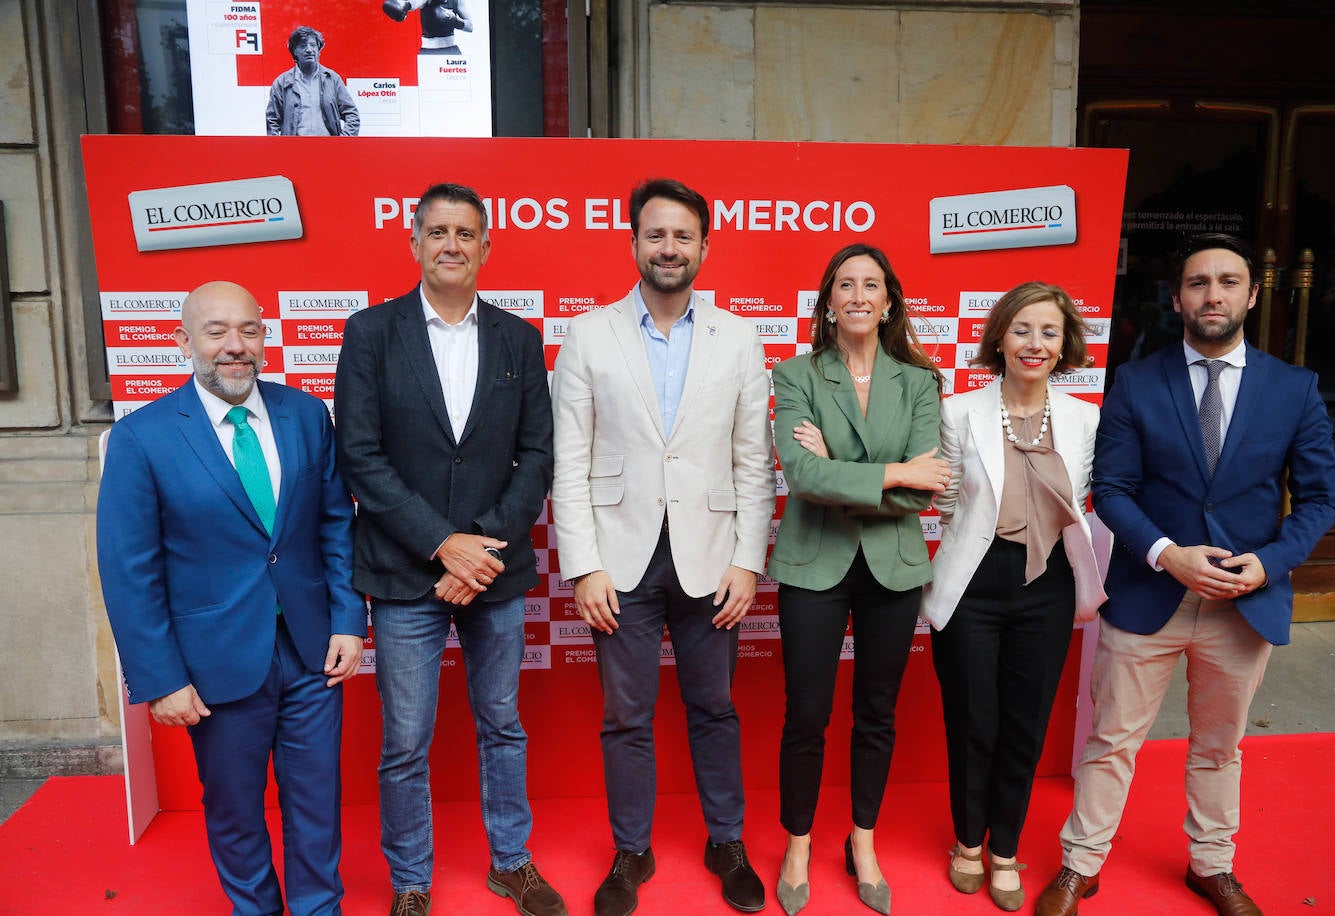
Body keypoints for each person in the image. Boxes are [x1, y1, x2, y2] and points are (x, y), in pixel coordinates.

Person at [1035, 233, 1335, 916]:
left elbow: (1322, 497)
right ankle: (1079, 865)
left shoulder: (1295, 389)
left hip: (1243, 601)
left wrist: (1268, 562)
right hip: (1149, 595)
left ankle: (1213, 866)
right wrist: (1167, 553)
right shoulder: (1138, 382)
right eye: (1198, 283)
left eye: (1228, 281)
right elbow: (1111, 488)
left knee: (1219, 746)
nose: (1213, 294)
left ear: (1252, 294)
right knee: (1112, 739)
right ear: (1177, 298)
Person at [97, 281, 366, 915]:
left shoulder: (305, 414)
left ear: (265, 339)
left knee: (316, 804)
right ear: (183, 341)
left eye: (248, 330)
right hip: (213, 663)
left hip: (310, 652)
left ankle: (317, 909)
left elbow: (335, 522)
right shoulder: (143, 438)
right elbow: (129, 571)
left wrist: (350, 620)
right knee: (235, 810)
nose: (234, 346)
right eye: (216, 332)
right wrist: (159, 678)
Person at [334, 183, 563, 916]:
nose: (452, 244)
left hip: (491, 574)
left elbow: (537, 457)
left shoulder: (520, 340)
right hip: (406, 576)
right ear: (414, 243)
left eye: (466, 233)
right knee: (404, 742)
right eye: (438, 232)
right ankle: (411, 880)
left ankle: (511, 862)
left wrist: (479, 552)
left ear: (487, 247)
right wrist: (442, 544)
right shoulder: (370, 333)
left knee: (503, 725)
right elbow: (361, 457)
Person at [550, 178, 774, 916]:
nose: (669, 247)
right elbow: (569, 459)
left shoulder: (738, 336)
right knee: (626, 713)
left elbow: (752, 458)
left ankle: (726, 841)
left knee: (714, 707)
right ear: (635, 244)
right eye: (655, 235)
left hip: (713, 557)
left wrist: (748, 559)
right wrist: (582, 565)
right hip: (620, 559)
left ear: (705, 246)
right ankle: (632, 850)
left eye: (683, 236)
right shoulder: (589, 333)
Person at [769, 244, 949, 916]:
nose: (857, 295)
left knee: (877, 713)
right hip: (814, 564)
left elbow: (924, 496)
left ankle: (863, 840)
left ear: (889, 301)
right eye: (845, 284)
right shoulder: (795, 376)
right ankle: (797, 842)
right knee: (807, 714)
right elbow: (804, 477)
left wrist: (852, 475)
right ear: (827, 302)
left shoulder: (920, 382)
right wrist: (895, 472)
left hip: (892, 568)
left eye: (870, 284)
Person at [924, 282, 1107, 912]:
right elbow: (946, 504)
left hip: (1047, 585)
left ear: (1065, 346)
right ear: (999, 336)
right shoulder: (959, 412)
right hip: (973, 582)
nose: (1035, 343)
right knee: (974, 722)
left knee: (1024, 724)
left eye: (1049, 332)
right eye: (1022, 330)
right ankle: (968, 844)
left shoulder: (1086, 419)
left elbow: (1083, 504)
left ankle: (1006, 848)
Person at [265, 26, 360, 136]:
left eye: (313, 45)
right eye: (303, 46)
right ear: (294, 51)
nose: (309, 50)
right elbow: (272, 121)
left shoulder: (332, 79)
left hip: (328, 149)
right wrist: (279, 149)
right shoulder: (282, 83)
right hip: (295, 150)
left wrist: (343, 141)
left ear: (318, 49)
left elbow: (352, 115)